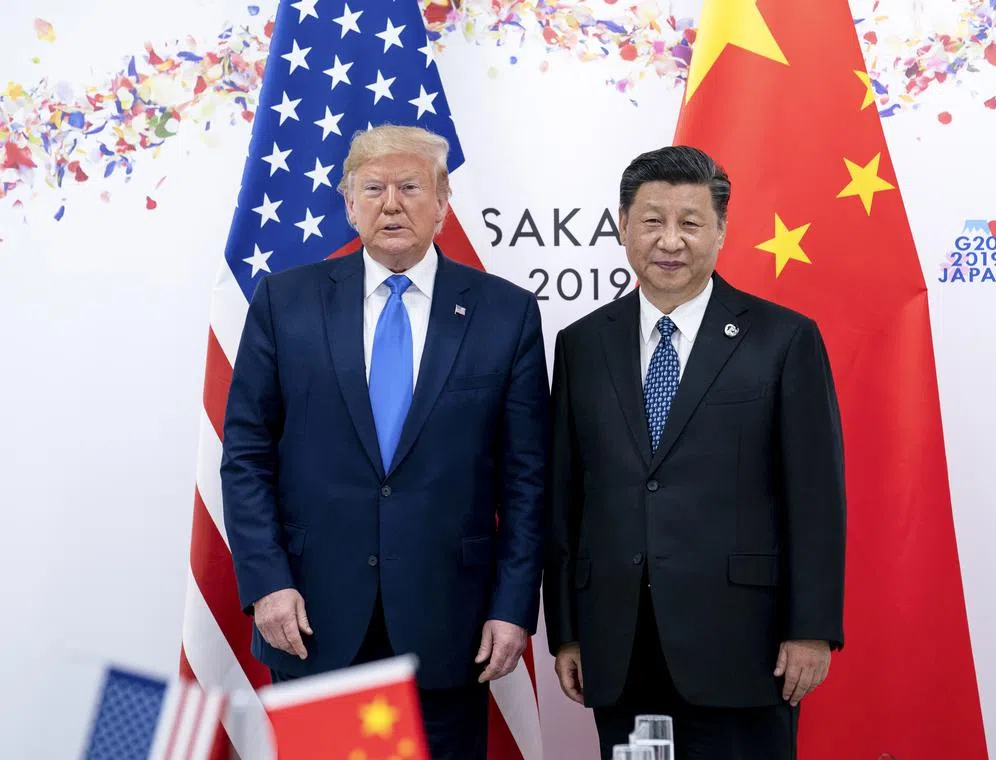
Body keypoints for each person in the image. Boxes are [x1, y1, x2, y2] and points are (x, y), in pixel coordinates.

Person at [221, 125, 548, 760]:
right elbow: (247, 455)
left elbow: (527, 479)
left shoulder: (504, 313)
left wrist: (513, 607)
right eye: (372, 188)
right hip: (312, 618)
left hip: (450, 627)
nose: (390, 203)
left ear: (443, 200)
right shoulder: (285, 302)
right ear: (348, 203)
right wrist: (266, 581)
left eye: (409, 186)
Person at [544, 145, 846, 759]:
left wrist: (811, 629)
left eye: (691, 223)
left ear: (722, 230)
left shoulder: (784, 339)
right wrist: (567, 633)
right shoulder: (581, 345)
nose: (671, 241)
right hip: (620, 643)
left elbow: (815, 497)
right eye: (652, 221)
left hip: (744, 645)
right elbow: (564, 499)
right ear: (624, 226)